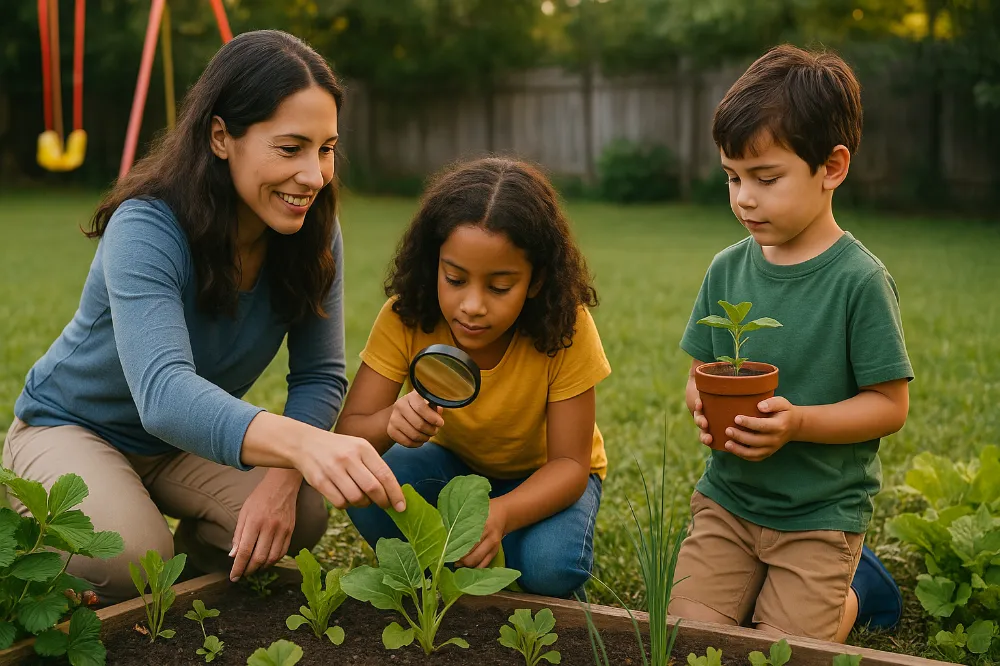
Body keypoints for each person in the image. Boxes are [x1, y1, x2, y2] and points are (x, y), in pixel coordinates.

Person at [3, 30, 404, 604]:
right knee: (131, 562)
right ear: (221, 136)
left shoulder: (313, 230)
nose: (314, 176)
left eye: (326, 148)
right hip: (72, 428)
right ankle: (60, 542)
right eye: (290, 149)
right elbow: (163, 394)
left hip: (180, 444)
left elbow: (319, 376)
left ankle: (190, 575)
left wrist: (285, 479)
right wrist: (302, 446)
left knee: (302, 512)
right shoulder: (147, 224)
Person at [669, 45, 913, 641]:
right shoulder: (727, 269)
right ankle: (783, 584)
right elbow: (702, 370)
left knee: (786, 648)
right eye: (732, 177)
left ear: (831, 168)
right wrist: (700, 401)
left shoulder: (859, 281)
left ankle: (856, 591)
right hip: (729, 501)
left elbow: (889, 405)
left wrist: (797, 423)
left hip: (818, 515)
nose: (744, 197)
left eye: (766, 177)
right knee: (691, 634)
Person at [335, 157, 610, 597]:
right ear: (434, 264)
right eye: (455, 279)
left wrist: (499, 514)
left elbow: (570, 466)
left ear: (536, 281)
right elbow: (349, 435)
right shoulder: (408, 317)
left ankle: (495, 550)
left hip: (542, 476)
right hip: (450, 465)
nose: (473, 306)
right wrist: (389, 422)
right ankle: (450, 564)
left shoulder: (565, 327)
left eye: (499, 287)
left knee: (550, 567)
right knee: (370, 482)